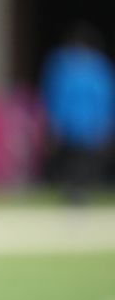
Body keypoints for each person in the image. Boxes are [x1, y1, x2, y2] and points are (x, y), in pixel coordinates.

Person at [41, 21, 115, 203]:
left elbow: (106, 98)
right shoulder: (61, 65)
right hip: (69, 124)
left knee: (87, 160)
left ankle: (82, 191)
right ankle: (71, 191)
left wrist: (105, 124)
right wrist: (53, 121)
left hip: (89, 125)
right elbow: (53, 95)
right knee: (69, 158)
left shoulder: (99, 68)